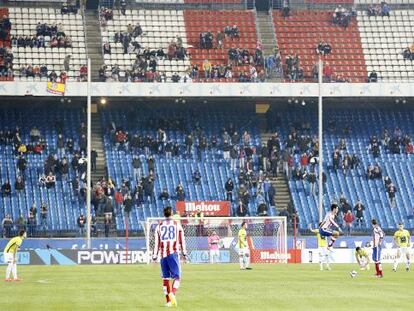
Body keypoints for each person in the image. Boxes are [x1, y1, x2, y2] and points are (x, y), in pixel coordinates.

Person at [152, 206, 187, 307]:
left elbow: (156, 244)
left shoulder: (159, 226)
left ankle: (168, 302)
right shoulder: (177, 225)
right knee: (177, 277)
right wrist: (184, 253)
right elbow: (182, 240)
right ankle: (173, 293)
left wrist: (154, 257)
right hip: (173, 254)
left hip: (163, 256)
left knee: (165, 278)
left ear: (164, 214)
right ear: (172, 214)